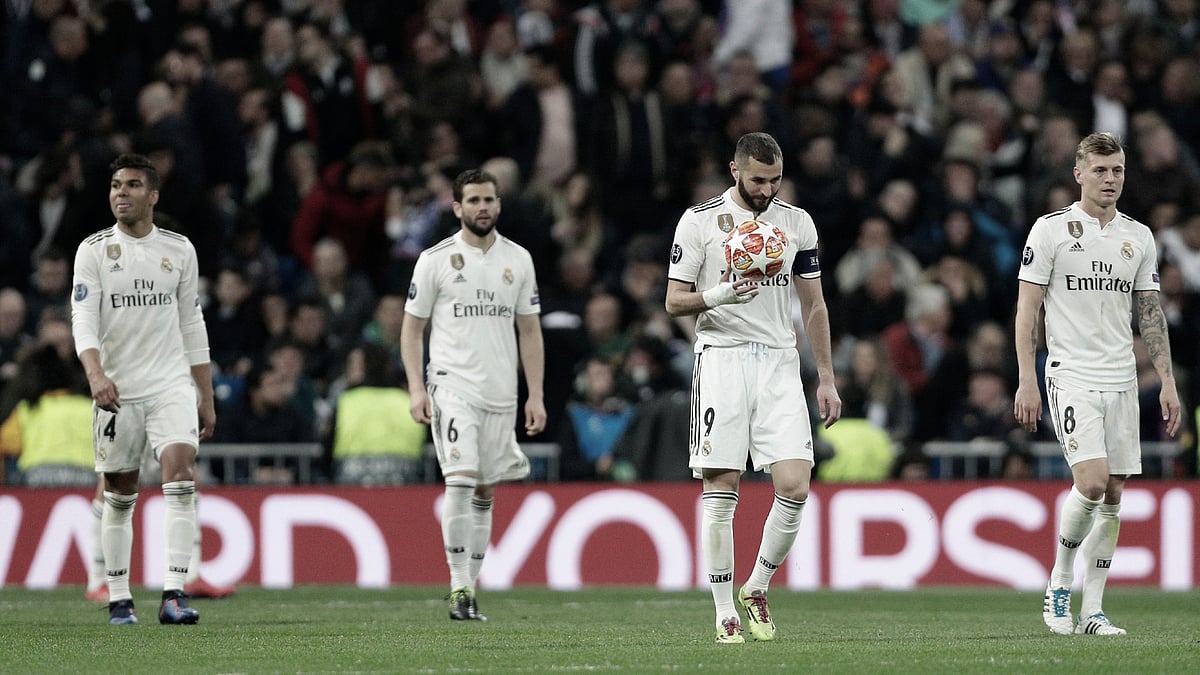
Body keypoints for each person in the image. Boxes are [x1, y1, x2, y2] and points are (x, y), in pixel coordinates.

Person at [664, 132, 842, 644]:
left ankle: (757, 585)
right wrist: (719, 294)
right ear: (735, 170)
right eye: (758, 180)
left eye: (775, 180)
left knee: (796, 485)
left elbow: (814, 305)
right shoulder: (699, 221)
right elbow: (674, 301)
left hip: (780, 362)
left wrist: (826, 376)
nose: (766, 189)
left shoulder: (797, 222)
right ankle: (724, 612)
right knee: (722, 490)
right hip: (722, 359)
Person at [1014, 132, 1182, 637]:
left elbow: (1149, 313)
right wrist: (1025, 378)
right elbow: (1027, 309)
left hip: (1122, 376)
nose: (1110, 180)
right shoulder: (1050, 230)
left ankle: (1093, 611)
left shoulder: (1139, 237)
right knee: (1090, 482)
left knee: (1112, 492)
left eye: (1118, 171)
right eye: (1101, 170)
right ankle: (1059, 582)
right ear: (1079, 174)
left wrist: (1167, 380)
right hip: (1071, 373)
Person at [70, 153, 216, 625]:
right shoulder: (93, 251)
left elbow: (192, 324)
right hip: (117, 390)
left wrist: (205, 395)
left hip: (170, 384)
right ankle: (119, 598)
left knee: (181, 474)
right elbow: (83, 320)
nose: (121, 193)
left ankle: (174, 594)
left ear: (152, 195)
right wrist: (96, 375)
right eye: (116, 185)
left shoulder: (180, 250)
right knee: (119, 491)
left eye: (132, 185)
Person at [400, 168, 546, 622]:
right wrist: (417, 388)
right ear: (457, 207)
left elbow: (530, 330)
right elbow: (412, 329)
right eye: (474, 200)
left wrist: (535, 395)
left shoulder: (518, 259)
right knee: (460, 479)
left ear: (498, 204)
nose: (483, 207)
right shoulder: (435, 260)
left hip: (501, 391)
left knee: (485, 489)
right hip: (452, 384)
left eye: (489, 200)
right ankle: (458, 584)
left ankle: (471, 590)